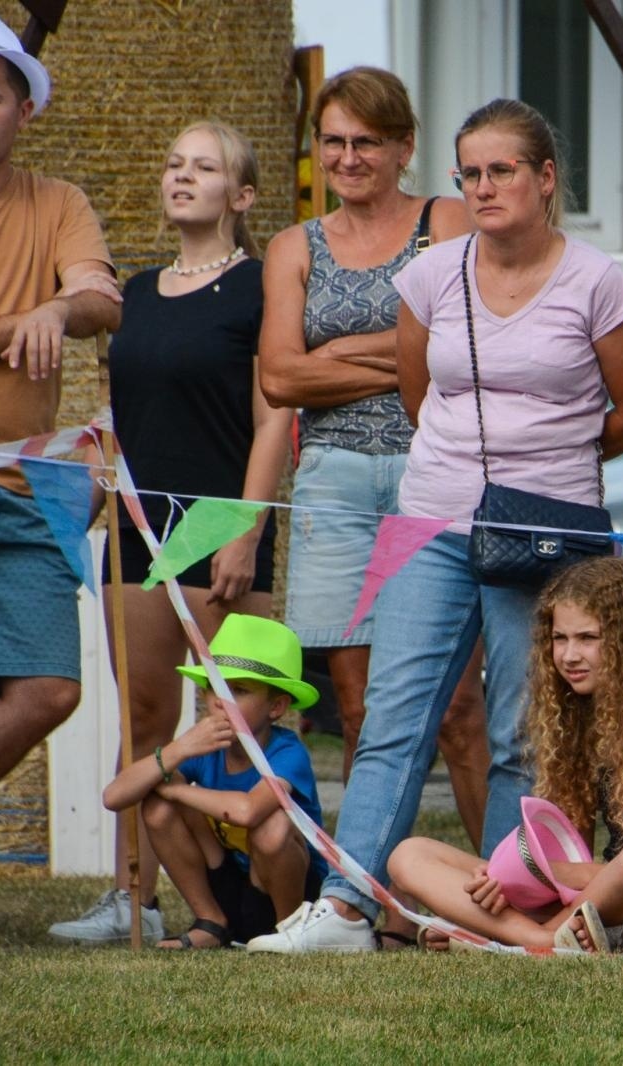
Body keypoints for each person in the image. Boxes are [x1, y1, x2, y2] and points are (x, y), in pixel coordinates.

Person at [246, 97, 623, 953]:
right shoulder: (430, 274)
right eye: (469, 173)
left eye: (501, 169)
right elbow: (416, 397)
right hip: (430, 518)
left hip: (544, 529)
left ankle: (509, 913)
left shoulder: (596, 280)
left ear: (546, 179)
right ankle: (348, 908)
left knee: (518, 727)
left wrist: (550, 466)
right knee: (395, 715)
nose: (483, 186)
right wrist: (464, 473)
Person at [46, 122, 292, 946]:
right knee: (146, 713)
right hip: (139, 530)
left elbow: (273, 418)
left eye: (204, 167)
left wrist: (248, 533)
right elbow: (126, 420)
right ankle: (135, 898)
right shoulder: (137, 295)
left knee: (233, 714)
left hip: (224, 523)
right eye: (173, 164)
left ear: (243, 194)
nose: (181, 178)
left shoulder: (261, 288)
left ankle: (259, 899)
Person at [256, 67, 490, 889]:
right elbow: (281, 378)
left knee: (460, 711)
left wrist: (339, 355)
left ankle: (504, 893)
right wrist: (397, 355)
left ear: (403, 147)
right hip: (334, 484)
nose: (347, 157)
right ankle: (370, 900)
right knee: (359, 711)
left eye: (366, 141)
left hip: (437, 471)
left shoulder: (449, 222)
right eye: (333, 142)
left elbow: (466, 344)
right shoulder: (295, 245)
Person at [0, 8, 121, 952]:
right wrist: (17, 325)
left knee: (49, 690)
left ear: (25, 108)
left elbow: (103, 299)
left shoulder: (58, 202)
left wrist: (60, 305)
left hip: (23, 490)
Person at [389, 558, 623, 950]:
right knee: (410, 854)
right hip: (592, 913)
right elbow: (563, 857)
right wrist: (507, 885)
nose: (569, 655)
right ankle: (531, 936)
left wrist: (563, 874)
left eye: (587, 638)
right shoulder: (576, 725)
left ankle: (513, 937)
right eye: (560, 638)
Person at [101, 614, 327, 949]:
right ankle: (211, 923)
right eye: (213, 686)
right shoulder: (204, 747)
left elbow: (248, 811)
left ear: (276, 706)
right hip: (231, 888)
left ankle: (290, 933)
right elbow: (115, 796)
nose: (220, 700)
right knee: (157, 806)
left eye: (238, 690)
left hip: (290, 892)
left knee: (273, 825)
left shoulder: (287, 751)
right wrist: (178, 751)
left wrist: (178, 789)